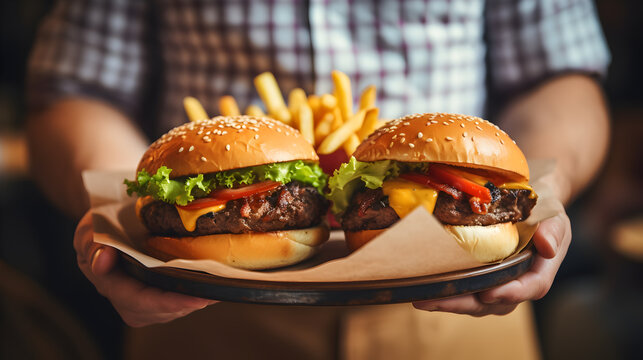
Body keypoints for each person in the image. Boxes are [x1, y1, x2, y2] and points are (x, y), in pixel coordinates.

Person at [26, 0, 610, 358]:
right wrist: (123, 226)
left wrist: (536, 197)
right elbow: (75, 91)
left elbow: (561, 76)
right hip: (198, 314)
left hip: (468, 313)